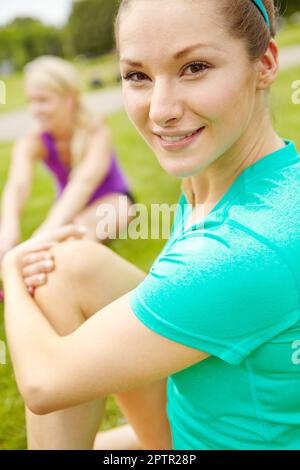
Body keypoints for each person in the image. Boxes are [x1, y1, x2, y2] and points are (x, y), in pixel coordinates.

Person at [2, 0, 300, 450]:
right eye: (137, 75)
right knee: (66, 266)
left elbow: (45, 383)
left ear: (264, 64)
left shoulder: (245, 243)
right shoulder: (239, 180)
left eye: (195, 67)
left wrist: (10, 267)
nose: (160, 110)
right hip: (195, 419)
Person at [0, 56, 134, 265]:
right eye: (31, 101)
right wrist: (8, 230)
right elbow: (18, 185)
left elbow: (83, 184)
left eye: (43, 100)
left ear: (69, 99)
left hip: (113, 203)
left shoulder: (96, 131)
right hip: (68, 207)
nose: (35, 110)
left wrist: (42, 234)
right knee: (61, 233)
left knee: (74, 237)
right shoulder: (33, 140)